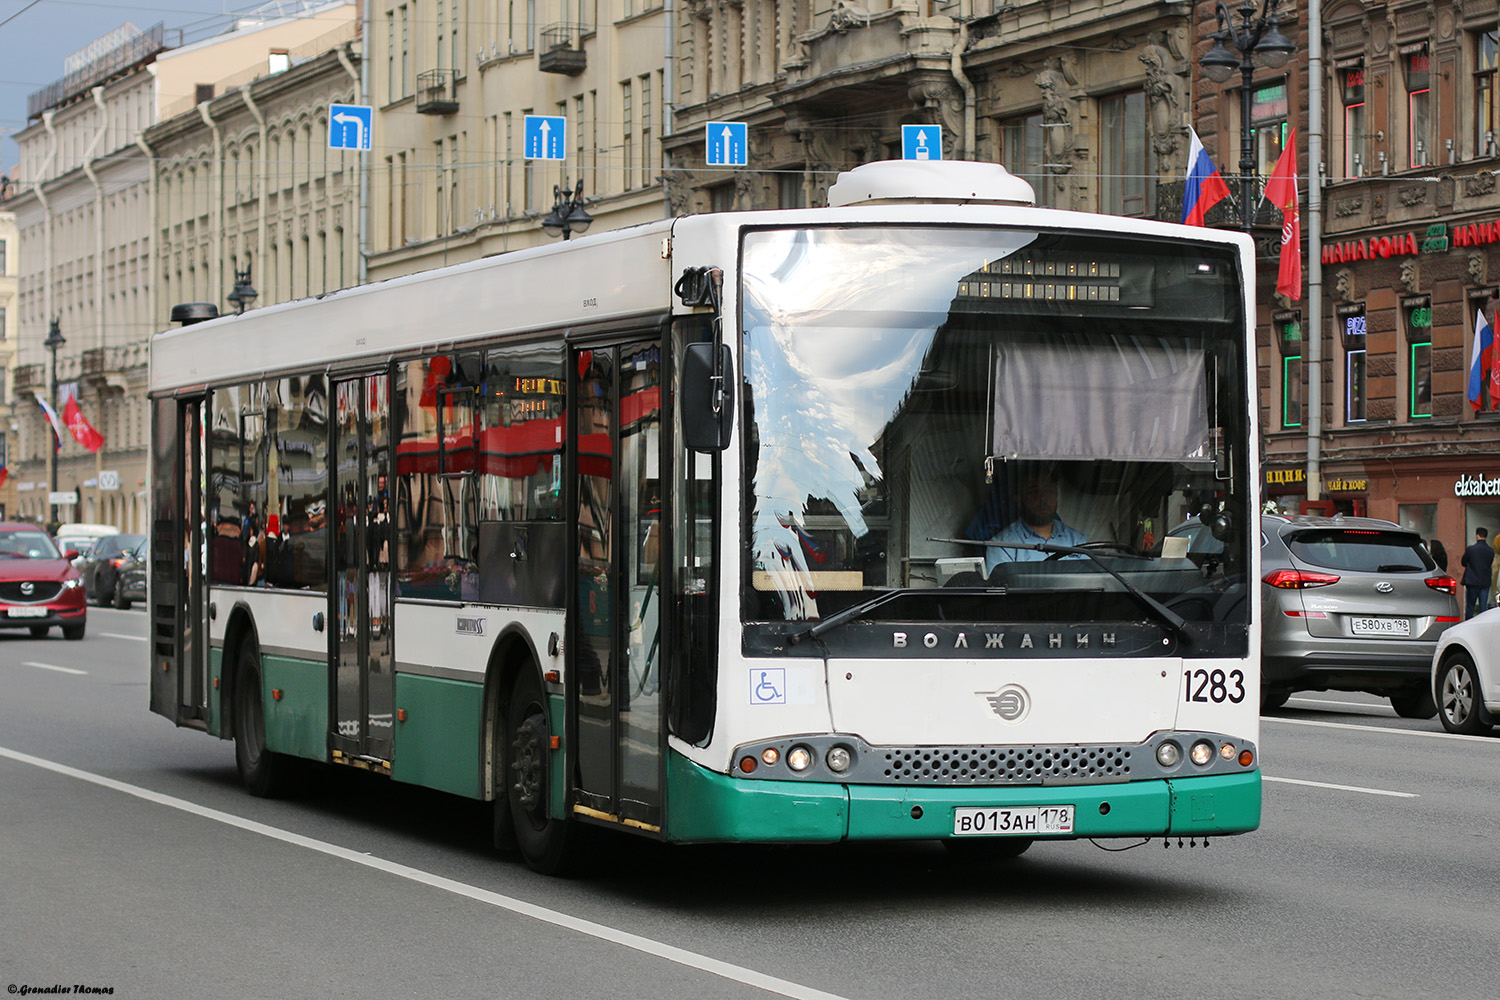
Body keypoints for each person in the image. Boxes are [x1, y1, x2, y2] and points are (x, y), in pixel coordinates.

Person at [983, 465, 1087, 576]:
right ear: (1018, 500)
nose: (1043, 497)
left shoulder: (1077, 541)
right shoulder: (1002, 546)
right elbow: (1002, 590)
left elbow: (1089, 585)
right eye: (1033, 491)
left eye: (1049, 489)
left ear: (1057, 494)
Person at [1459, 527, 1494, 619]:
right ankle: (1482, 624)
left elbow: (1463, 562)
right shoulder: (1491, 551)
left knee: (1470, 606)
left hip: (1472, 581)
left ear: (1477, 535)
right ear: (1486, 536)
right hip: (1485, 581)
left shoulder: (1471, 549)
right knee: (1483, 607)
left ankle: (1468, 624)